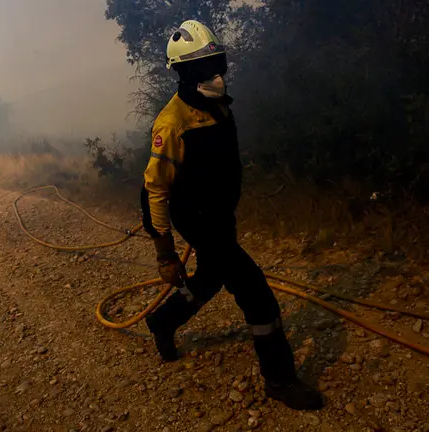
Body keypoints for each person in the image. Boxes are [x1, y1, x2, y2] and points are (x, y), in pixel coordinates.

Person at [140, 19, 324, 411]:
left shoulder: (219, 106)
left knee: (208, 279)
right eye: (204, 68)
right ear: (184, 73)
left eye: (217, 64)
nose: (215, 75)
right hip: (198, 221)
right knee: (257, 295)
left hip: (221, 215)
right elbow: (154, 190)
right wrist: (165, 254)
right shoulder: (172, 124)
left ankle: (163, 321)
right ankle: (279, 379)